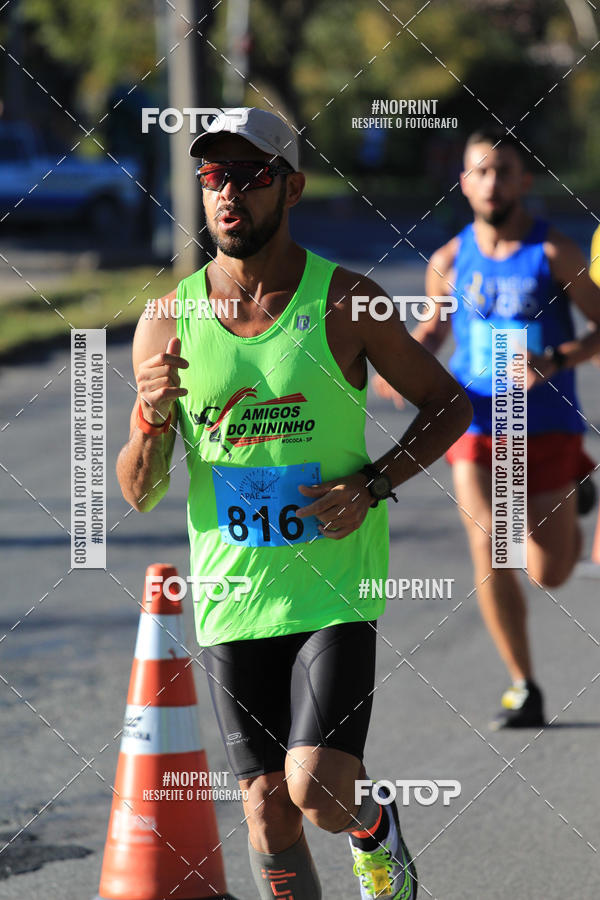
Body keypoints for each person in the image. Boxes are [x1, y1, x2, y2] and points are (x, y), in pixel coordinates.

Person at [117, 106, 472, 899]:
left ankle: (376, 830)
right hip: (234, 599)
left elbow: (449, 404)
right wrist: (149, 416)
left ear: (292, 186)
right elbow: (139, 492)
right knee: (268, 818)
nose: (228, 194)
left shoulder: (348, 300)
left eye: (251, 176)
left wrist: (376, 481)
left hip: (332, 590)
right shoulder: (166, 320)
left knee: (316, 792)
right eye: (214, 177)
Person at [374, 126, 600, 730]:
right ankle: (523, 684)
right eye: (480, 171)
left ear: (524, 182)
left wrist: (552, 361)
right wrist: (396, 360)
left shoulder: (556, 254)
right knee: (489, 540)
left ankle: (576, 494)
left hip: (547, 422)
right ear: (464, 183)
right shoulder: (449, 260)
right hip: (473, 418)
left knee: (548, 571)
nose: (492, 182)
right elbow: (433, 331)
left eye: (503, 171)